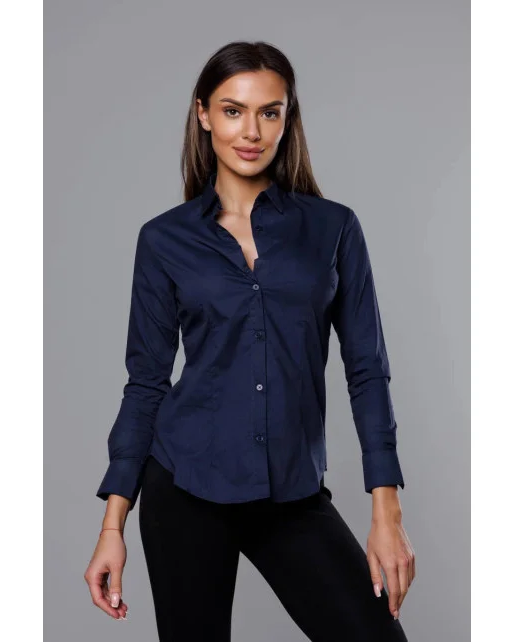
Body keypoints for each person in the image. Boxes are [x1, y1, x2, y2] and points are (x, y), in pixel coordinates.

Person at [84, 40, 414, 642]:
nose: (251, 131)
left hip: (291, 491)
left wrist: (385, 508)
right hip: (185, 485)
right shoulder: (164, 240)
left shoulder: (333, 228)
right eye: (233, 110)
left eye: (269, 111)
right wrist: (113, 525)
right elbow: (147, 382)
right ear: (204, 114)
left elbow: (367, 369)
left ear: (288, 119)